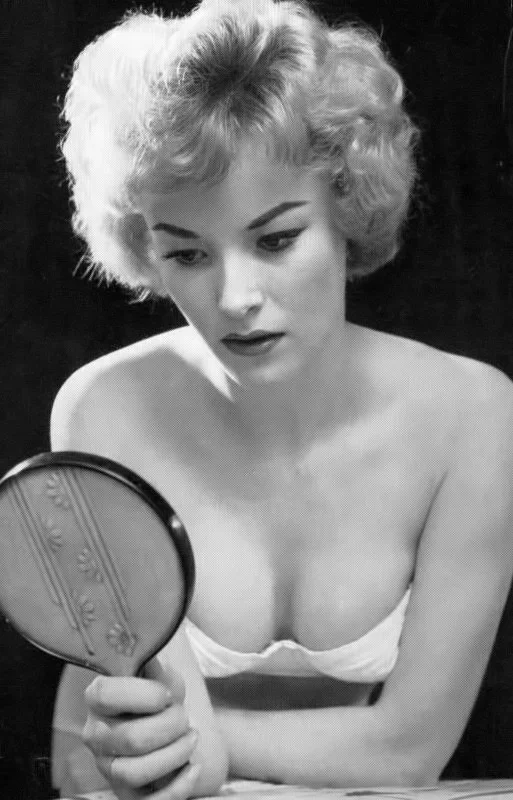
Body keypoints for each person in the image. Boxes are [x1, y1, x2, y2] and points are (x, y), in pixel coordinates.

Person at [50, 0, 513, 797]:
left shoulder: (476, 419)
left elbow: (408, 752)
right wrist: (169, 750)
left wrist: (208, 738)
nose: (235, 297)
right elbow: (156, 750)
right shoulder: (102, 410)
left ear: (346, 208)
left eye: (274, 240)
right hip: (130, 772)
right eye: (187, 254)